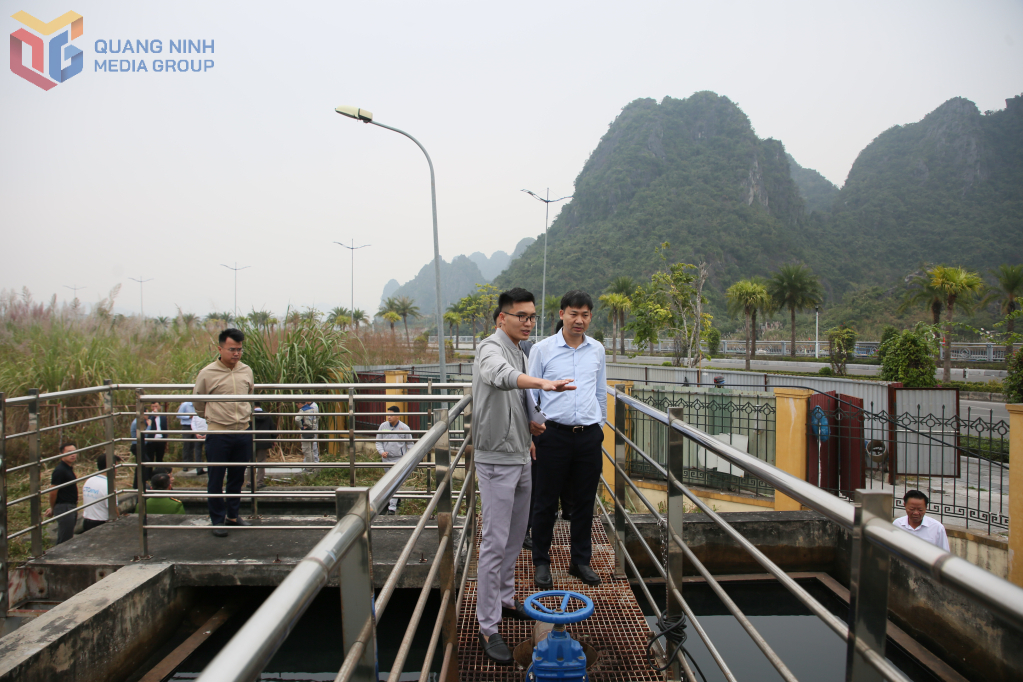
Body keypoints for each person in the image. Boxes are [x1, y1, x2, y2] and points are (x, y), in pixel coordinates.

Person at [473, 287, 575, 665]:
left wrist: (532, 424)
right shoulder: (491, 348)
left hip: (519, 455)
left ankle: (504, 598)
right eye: (522, 316)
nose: (529, 322)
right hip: (496, 460)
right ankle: (488, 626)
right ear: (503, 318)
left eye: (532, 316)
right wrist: (543, 383)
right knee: (494, 542)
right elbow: (501, 378)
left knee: (516, 538)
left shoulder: (520, 349)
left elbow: (516, 400)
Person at [528, 291, 608, 588]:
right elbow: (530, 393)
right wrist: (532, 432)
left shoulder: (597, 349)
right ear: (561, 314)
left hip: (588, 437)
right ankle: (541, 562)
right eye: (574, 313)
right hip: (552, 435)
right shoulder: (543, 349)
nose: (579, 320)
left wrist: (600, 425)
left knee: (584, 502)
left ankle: (580, 561)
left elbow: (600, 391)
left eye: (585, 314)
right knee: (545, 501)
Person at [193, 328, 255, 537]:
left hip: (243, 431)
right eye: (231, 349)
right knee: (216, 478)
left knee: (237, 478)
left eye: (239, 349)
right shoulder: (208, 373)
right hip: (219, 433)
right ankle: (217, 520)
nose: (236, 354)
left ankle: (233, 516)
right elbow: (198, 402)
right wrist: (213, 419)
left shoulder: (246, 370)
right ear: (220, 349)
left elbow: (250, 395)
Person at [375, 405, 413, 514]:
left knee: (394, 482)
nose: (389, 417)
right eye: (388, 414)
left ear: (397, 416)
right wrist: (381, 452)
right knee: (388, 482)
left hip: (399, 460)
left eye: (391, 415)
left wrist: (409, 459)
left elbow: (410, 444)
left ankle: (392, 507)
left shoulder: (404, 428)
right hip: (386, 459)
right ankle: (396, 499)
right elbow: (378, 441)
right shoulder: (383, 426)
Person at [46, 442, 80, 544]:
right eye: (69, 452)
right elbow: (53, 492)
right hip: (64, 507)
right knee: (65, 538)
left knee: (68, 535)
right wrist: (53, 508)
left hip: (70, 506)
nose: (73, 454)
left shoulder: (68, 468)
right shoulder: (60, 470)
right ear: (61, 454)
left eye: (74, 452)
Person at [82, 454, 118, 531]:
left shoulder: (89, 480)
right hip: (101, 524)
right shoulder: (109, 485)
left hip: (86, 521)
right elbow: (113, 509)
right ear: (112, 467)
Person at [252, 403, 276, 489]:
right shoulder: (267, 415)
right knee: (261, 461)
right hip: (263, 441)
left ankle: (249, 482)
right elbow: (272, 428)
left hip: (251, 440)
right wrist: (273, 439)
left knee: (250, 462)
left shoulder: (250, 415)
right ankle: (259, 482)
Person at [178, 400, 205, 474]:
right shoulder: (185, 405)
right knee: (187, 445)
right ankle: (185, 465)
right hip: (187, 426)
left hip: (197, 427)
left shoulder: (199, 405)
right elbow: (178, 415)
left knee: (195, 446)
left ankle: (192, 463)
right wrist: (188, 416)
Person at [295, 400, 320, 472]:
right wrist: (313, 425)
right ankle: (313, 466)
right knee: (311, 449)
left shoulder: (303, 410)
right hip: (313, 430)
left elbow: (297, 419)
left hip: (306, 431)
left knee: (306, 449)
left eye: (297, 405)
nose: (297, 406)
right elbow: (318, 417)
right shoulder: (313, 409)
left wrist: (302, 427)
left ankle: (309, 467)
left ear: (300, 403)